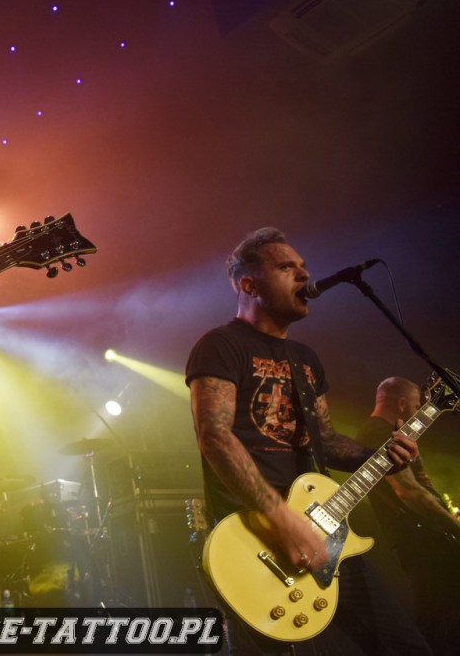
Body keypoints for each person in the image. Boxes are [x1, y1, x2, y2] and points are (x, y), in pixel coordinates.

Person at [185, 227, 430, 655]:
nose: (305, 275)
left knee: (406, 647)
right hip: (255, 539)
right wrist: (283, 520)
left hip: (322, 530)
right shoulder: (220, 346)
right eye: (287, 267)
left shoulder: (305, 359)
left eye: (303, 266)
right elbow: (215, 437)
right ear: (249, 285)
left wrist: (381, 455)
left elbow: (326, 440)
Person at [355, 377, 460, 654]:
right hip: (422, 544)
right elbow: (408, 492)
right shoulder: (378, 432)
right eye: (415, 406)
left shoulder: (387, 432)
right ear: (402, 403)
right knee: (442, 629)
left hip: (427, 540)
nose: (417, 412)